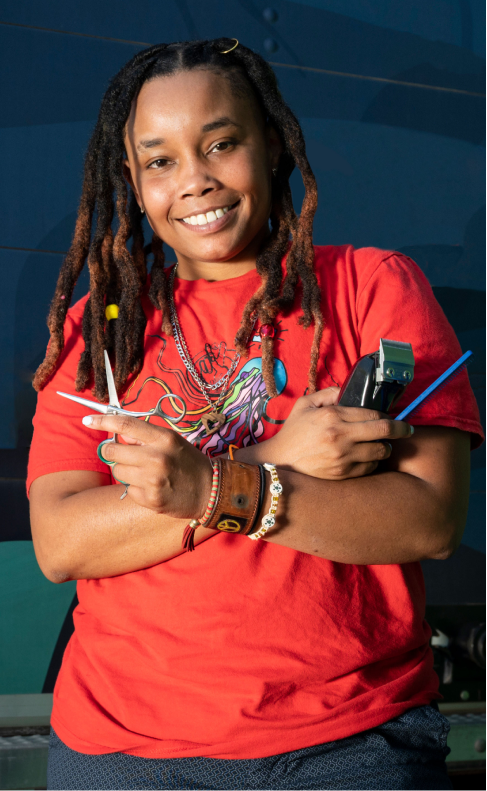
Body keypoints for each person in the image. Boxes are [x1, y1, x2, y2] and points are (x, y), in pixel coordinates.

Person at [28, 38, 483, 791]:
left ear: (269, 146)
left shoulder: (372, 288)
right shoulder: (97, 327)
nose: (196, 181)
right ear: (133, 182)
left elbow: (427, 519)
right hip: (125, 748)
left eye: (221, 143)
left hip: (348, 742)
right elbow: (61, 542)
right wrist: (274, 459)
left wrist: (193, 488)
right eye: (161, 161)